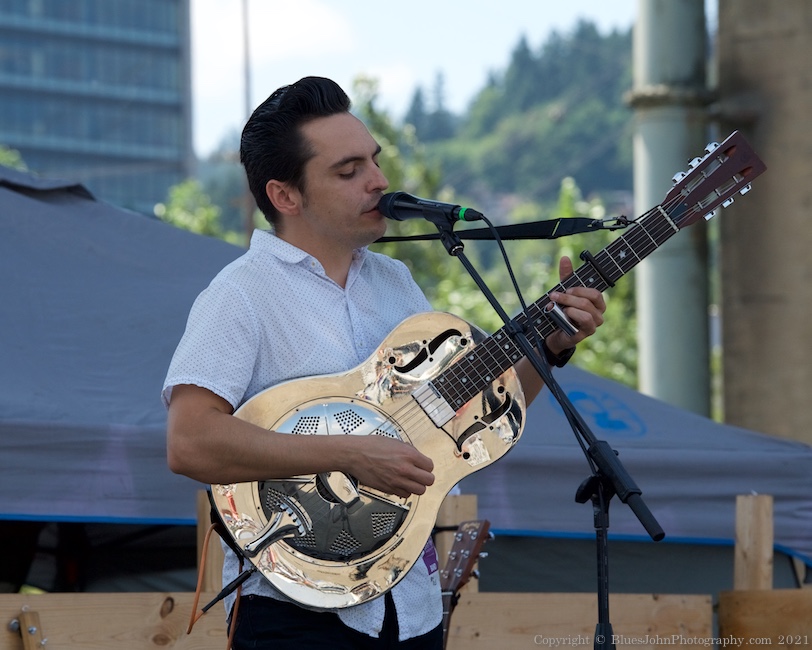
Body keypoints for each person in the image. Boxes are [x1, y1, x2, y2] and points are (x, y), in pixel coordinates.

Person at [162, 76, 606, 649]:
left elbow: (470, 416)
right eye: (349, 172)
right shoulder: (241, 294)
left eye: (374, 160)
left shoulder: (398, 286)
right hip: (293, 611)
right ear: (285, 196)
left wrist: (550, 345)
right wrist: (348, 452)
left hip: (411, 608)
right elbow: (189, 442)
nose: (379, 181)